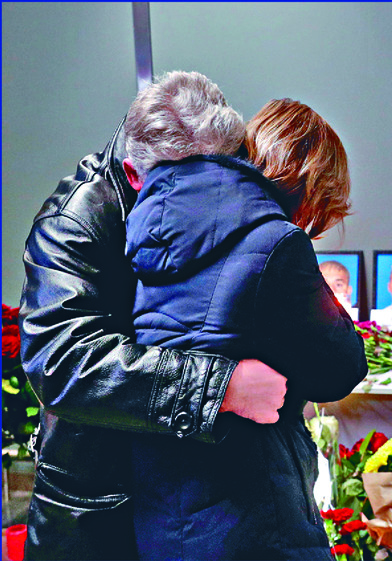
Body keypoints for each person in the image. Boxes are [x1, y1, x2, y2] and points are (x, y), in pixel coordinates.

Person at [18, 73, 289, 559]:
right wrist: (220, 387)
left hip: (197, 497)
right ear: (134, 174)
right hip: (97, 513)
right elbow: (61, 363)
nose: (208, 194)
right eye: (186, 183)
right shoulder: (73, 221)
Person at [123, 83, 367, 559]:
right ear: (313, 189)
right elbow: (341, 369)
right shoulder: (275, 243)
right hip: (253, 512)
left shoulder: (148, 225)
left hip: (166, 510)